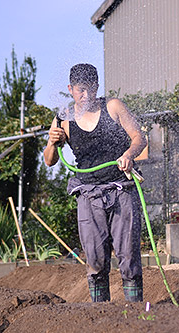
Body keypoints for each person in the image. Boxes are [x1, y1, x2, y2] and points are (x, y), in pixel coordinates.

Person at [43, 63, 147, 303]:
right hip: (89, 195)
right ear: (71, 89)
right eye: (81, 90)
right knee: (95, 259)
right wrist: (52, 142)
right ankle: (100, 314)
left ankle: (136, 312)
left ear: (98, 86)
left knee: (128, 256)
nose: (86, 95)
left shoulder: (113, 107)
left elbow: (138, 137)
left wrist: (129, 155)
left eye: (91, 89)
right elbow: (49, 161)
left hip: (121, 189)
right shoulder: (63, 119)